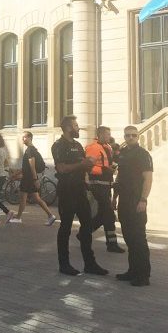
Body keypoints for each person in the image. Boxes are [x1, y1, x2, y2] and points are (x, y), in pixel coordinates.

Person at [51, 115, 107, 276]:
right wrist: (82, 164)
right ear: (68, 128)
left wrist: (89, 166)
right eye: (76, 125)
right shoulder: (59, 146)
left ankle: (90, 263)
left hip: (80, 189)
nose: (78, 128)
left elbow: (82, 166)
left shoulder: (78, 145)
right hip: (67, 190)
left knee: (87, 226)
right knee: (66, 227)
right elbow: (61, 168)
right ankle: (64, 264)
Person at [114, 126, 154, 286]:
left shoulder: (143, 155)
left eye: (133, 135)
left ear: (138, 137)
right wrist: (114, 198)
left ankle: (143, 275)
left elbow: (148, 179)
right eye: (127, 135)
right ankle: (132, 271)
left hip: (136, 201)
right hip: (123, 201)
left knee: (139, 239)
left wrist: (143, 200)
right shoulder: (123, 153)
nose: (130, 138)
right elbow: (119, 178)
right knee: (129, 238)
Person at [85, 126, 125, 253]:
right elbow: (88, 166)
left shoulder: (107, 147)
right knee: (108, 214)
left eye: (109, 133)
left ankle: (84, 234)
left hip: (106, 184)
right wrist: (105, 170)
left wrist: (113, 165)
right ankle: (111, 244)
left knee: (103, 214)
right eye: (107, 134)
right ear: (100, 134)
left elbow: (108, 163)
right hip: (97, 184)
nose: (109, 136)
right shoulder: (93, 147)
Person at [9, 131, 57, 226]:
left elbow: (32, 166)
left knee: (23, 198)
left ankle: (18, 218)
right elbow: (26, 167)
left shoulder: (30, 150)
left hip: (28, 179)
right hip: (29, 178)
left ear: (30, 138)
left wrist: (35, 180)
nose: (23, 139)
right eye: (22, 137)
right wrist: (17, 173)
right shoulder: (31, 149)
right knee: (36, 198)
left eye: (24, 137)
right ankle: (50, 216)